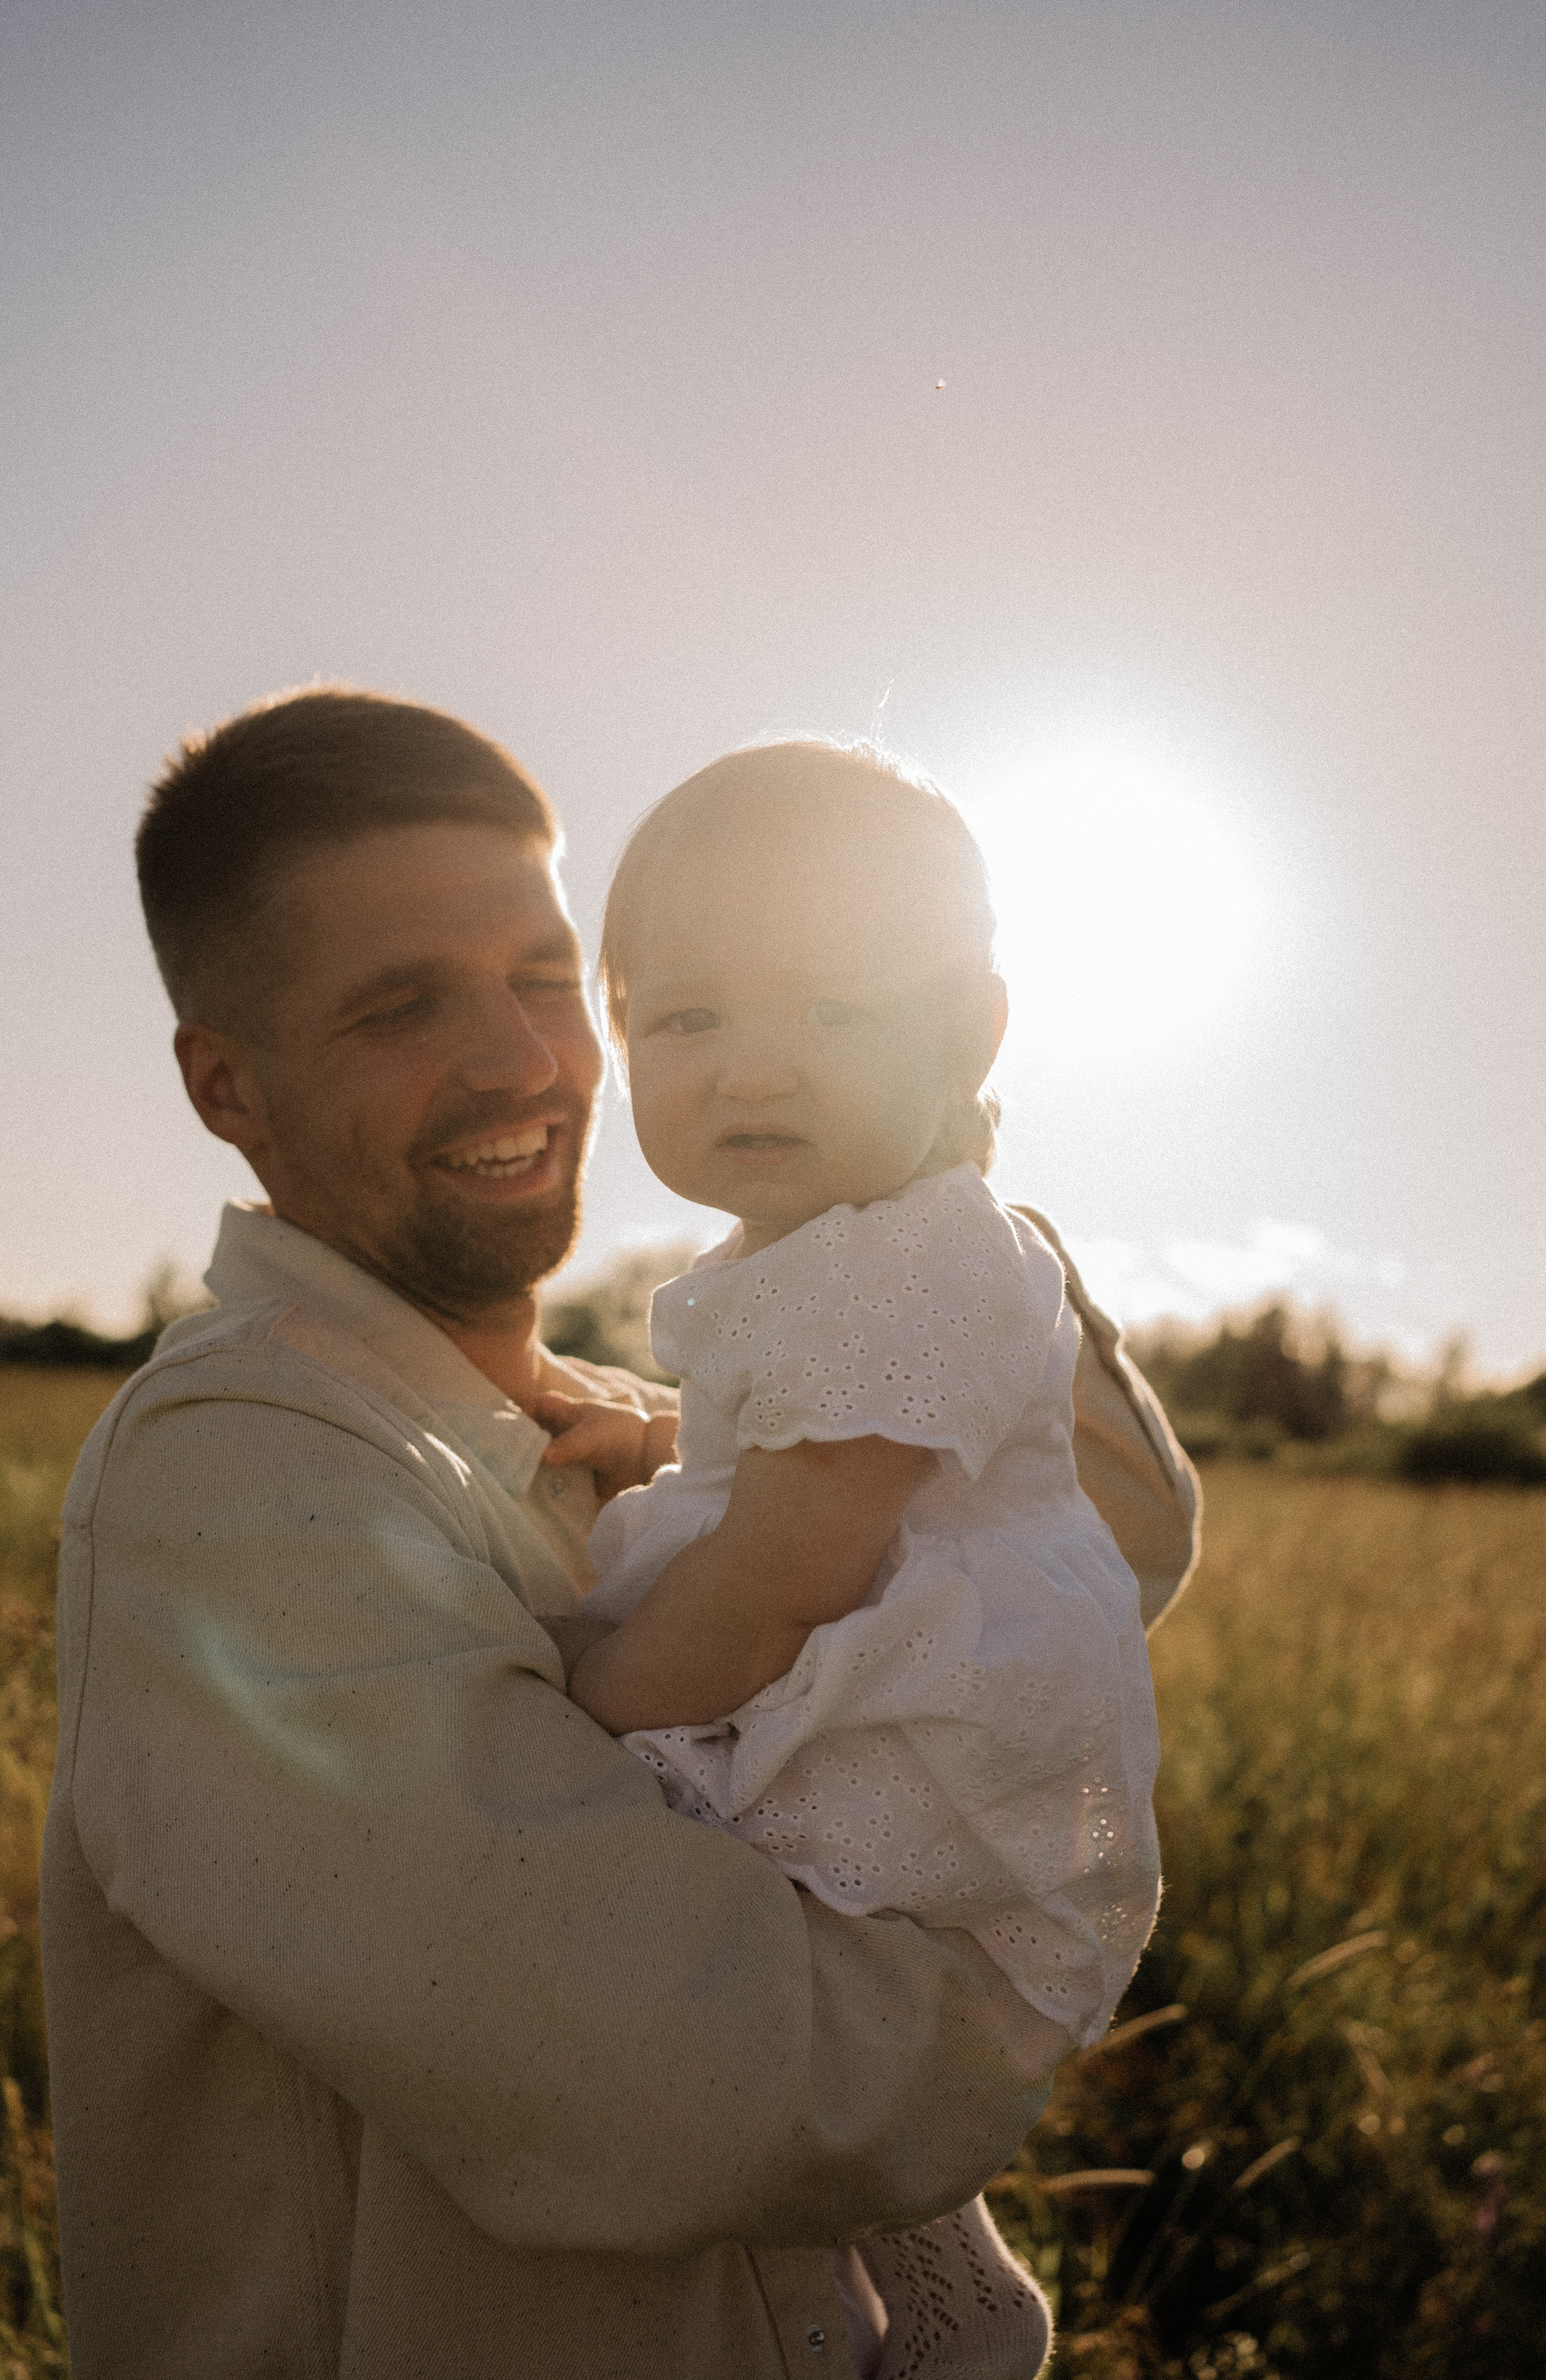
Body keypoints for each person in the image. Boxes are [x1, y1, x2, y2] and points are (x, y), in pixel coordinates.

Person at [40, 687, 1200, 2380]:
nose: (520, 1058)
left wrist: (934, 1195)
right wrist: (1012, 1998)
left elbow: (1125, 1538)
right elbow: (724, 2087)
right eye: (399, 1006)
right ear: (231, 1086)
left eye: (540, 978)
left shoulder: (661, 1402)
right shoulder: (234, 1478)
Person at [528, 741, 1166, 2379]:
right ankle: (935, 2298)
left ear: (967, 1031)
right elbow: (802, 1456)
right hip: (884, 1700)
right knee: (805, 2039)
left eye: (834, 1012)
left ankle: (854, 2316)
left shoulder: (904, 1258)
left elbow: (794, 1564)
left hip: (905, 1748)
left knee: (732, 1992)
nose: (753, 1072)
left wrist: (587, 1695)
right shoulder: (851, 1246)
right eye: (688, 1019)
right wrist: (674, 1446)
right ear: (619, 1041)